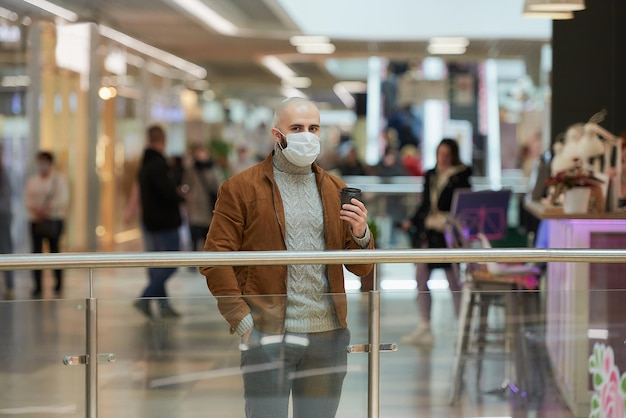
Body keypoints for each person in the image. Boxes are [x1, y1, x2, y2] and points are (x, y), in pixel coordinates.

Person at [200, 97, 375, 418]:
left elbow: (361, 266)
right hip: (267, 333)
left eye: (313, 128)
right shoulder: (240, 189)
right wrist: (241, 319)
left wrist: (362, 233)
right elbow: (215, 258)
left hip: (328, 335)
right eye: (297, 128)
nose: (307, 135)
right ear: (277, 134)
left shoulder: (336, 188)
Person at [401, 138, 471, 346]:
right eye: (440, 153)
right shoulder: (431, 174)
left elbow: (464, 205)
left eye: (447, 154)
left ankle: (461, 325)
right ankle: (425, 325)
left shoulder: (460, 176)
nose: (443, 158)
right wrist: (412, 221)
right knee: (421, 277)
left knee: (454, 280)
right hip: (428, 233)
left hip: (448, 234)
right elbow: (425, 203)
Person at [133, 125, 185, 319]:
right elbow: (167, 193)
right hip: (165, 223)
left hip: (149, 222)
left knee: (156, 267)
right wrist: (179, 196)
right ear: (162, 140)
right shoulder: (159, 165)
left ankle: (163, 306)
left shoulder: (144, 164)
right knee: (170, 264)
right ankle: (145, 298)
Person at [24, 151, 69, 297]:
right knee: (36, 254)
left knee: (54, 252)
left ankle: (58, 282)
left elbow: (62, 199)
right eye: (39, 162)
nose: (41, 165)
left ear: (50, 163)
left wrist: (47, 210)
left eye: (44, 162)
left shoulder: (58, 180)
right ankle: (37, 285)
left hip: (54, 220)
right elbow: (27, 199)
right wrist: (36, 210)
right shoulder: (32, 181)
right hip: (36, 221)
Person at [181, 144, 220, 252]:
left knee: (207, 239)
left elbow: (219, 186)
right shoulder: (191, 169)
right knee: (194, 238)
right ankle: (194, 262)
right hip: (194, 209)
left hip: (208, 208)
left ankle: (206, 263)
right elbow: (186, 185)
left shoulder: (213, 169)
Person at [0, 145, 15, 299]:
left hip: (2, 220)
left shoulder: (4, 175)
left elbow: (6, 199)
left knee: (6, 252)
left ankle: (10, 286)